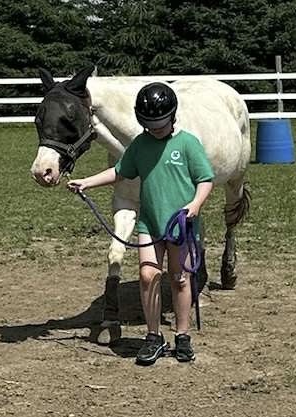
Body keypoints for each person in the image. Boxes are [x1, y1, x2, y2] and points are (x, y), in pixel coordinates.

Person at [67, 82, 214, 365]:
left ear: (172, 116)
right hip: (150, 222)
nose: (156, 129)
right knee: (148, 276)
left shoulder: (187, 144)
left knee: (179, 279)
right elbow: (120, 172)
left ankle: (182, 336)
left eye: (160, 123)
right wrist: (88, 181)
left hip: (180, 224)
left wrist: (195, 205)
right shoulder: (140, 146)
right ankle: (153, 336)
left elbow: (204, 179)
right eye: (150, 124)